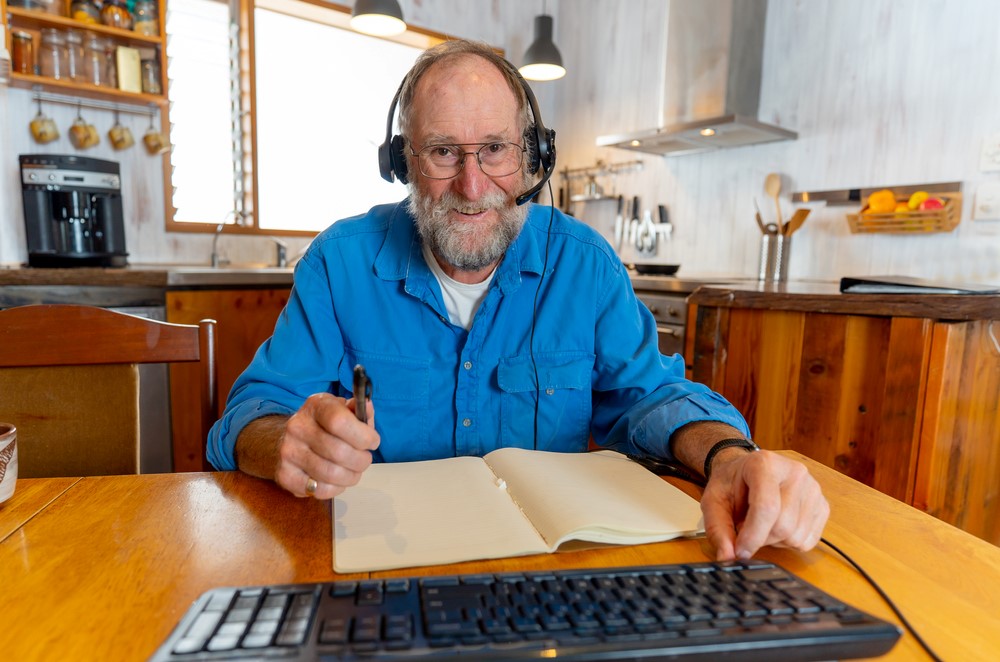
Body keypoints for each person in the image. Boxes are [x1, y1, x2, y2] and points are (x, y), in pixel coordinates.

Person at [207, 39, 828, 562]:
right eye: (444, 151)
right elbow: (254, 412)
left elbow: (654, 396)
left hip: (548, 572)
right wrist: (285, 442)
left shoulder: (584, 265)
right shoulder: (339, 264)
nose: (473, 185)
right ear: (402, 161)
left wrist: (726, 454)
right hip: (382, 568)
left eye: (496, 149)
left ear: (533, 154)